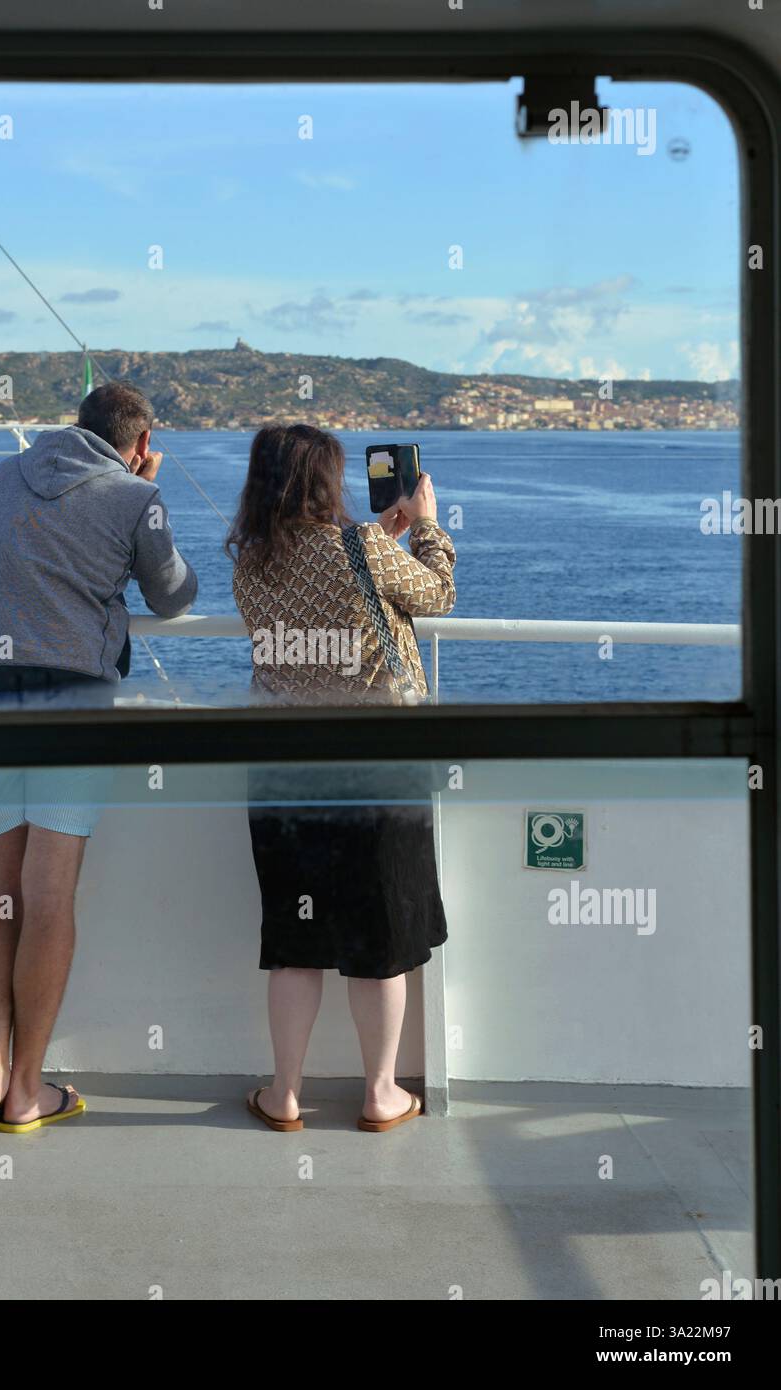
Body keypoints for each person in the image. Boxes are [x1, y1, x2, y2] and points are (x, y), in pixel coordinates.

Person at [0, 382, 197, 1135]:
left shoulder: (4, 474)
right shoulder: (133, 496)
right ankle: (27, 1090)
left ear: (75, 426)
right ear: (141, 443)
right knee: (49, 896)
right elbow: (176, 597)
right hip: (71, 698)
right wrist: (144, 499)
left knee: (1, 889)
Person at [227, 424, 456, 1132]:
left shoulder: (250, 563)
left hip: (283, 773)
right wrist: (426, 527)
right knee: (379, 938)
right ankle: (379, 1093)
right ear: (326, 480)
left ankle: (285, 1094)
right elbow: (438, 595)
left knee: (294, 941)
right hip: (375, 764)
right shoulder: (357, 548)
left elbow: (317, 597)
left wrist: (376, 537)